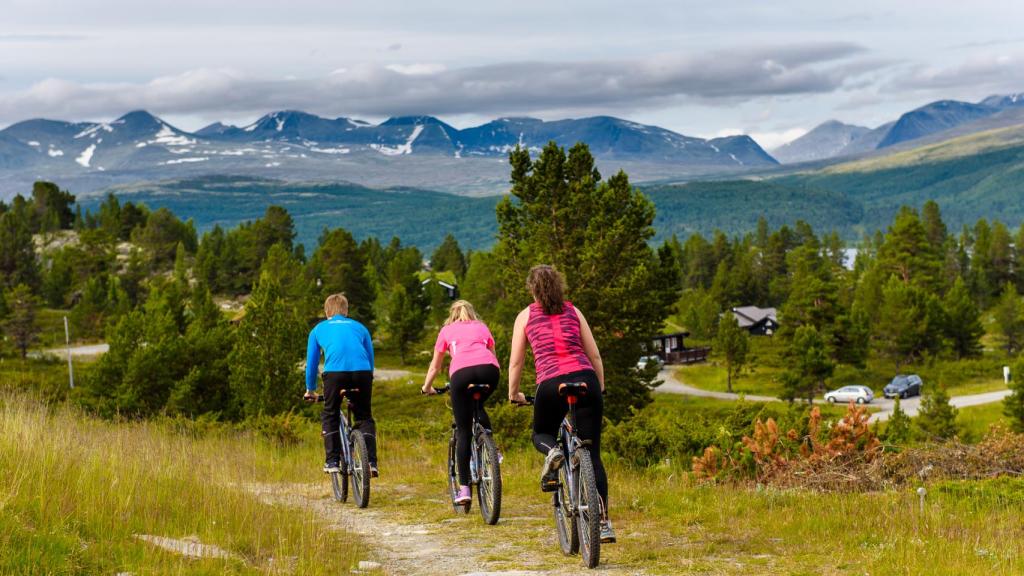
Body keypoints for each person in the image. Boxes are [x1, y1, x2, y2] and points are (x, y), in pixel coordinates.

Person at [507, 265, 615, 543]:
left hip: (551, 384)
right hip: (585, 380)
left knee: (540, 433)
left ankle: (553, 451)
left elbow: (517, 361)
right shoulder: (573, 310)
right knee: (591, 452)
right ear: (559, 286)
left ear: (533, 289)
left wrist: (513, 393)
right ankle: (603, 523)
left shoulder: (525, 316)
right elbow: (595, 355)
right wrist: (599, 388)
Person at [422, 300, 501, 505]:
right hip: (490, 371)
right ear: (472, 313)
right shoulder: (482, 327)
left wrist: (426, 387)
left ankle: (464, 489)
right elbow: (494, 356)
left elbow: (435, 366)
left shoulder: (447, 330)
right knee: (479, 405)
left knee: (464, 430)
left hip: (461, 374)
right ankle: (493, 450)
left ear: (452, 314)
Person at [305, 293, 378, 477]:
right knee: (365, 417)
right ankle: (371, 462)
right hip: (362, 373)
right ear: (346, 311)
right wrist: (368, 377)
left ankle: (332, 461)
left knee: (330, 413)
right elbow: (370, 358)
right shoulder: (360, 327)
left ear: (326, 311)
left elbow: (312, 363)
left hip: (335, 375)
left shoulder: (318, 329)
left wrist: (310, 389)